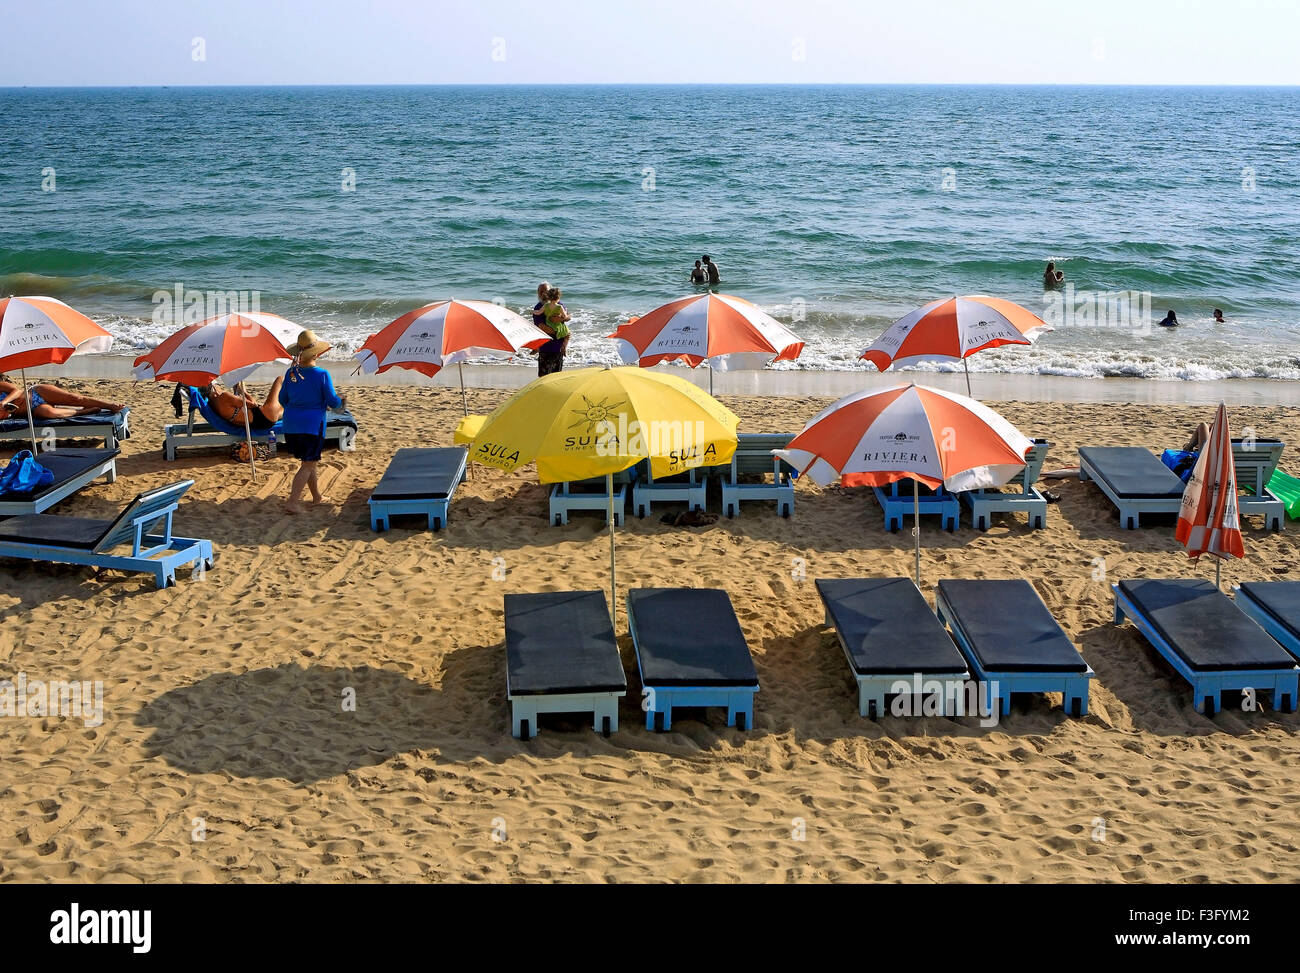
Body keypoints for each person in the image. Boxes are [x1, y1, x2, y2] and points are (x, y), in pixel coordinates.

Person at [278, 331, 346, 514]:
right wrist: (342, 402)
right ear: (316, 353)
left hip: (291, 425)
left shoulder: (291, 372)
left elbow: (282, 398)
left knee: (309, 462)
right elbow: (332, 401)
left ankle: (317, 496)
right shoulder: (321, 374)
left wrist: (297, 406)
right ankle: (292, 502)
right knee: (308, 464)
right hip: (311, 426)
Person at [0, 378, 124, 420]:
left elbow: (17, 390)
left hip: (36, 393)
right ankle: (82, 412)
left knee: (74, 398)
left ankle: (109, 405)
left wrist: (4, 402)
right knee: (49, 413)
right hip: (33, 410)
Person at [202, 377, 284, 430]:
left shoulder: (212, 404)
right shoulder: (224, 396)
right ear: (214, 389)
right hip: (265, 415)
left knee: (284, 408)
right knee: (280, 379)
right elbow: (253, 404)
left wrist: (237, 395)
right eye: (218, 385)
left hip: (258, 422)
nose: (220, 387)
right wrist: (243, 391)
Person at [536, 287, 570, 377]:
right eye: (541, 291)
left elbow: (568, 317)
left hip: (558, 346)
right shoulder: (539, 306)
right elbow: (542, 327)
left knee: (556, 376)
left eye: (545, 291)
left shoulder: (559, 305)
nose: (543, 293)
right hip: (545, 346)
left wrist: (561, 318)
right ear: (538, 293)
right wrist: (560, 332)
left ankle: (564, 347)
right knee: (543, 376)